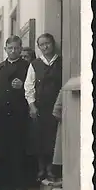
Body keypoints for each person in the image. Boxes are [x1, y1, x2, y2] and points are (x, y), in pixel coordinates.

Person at [0, 36, 30, 190]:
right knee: (1, 148)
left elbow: (32, 88)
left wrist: (21, 87)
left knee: (18, 147)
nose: (13, 51)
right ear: (5, 49)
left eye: (16, 48)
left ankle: (19, 182)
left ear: (21, 49)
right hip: (0, 113)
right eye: (10, 48)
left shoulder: (27, 66)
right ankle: (2, 185)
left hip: (18, 113)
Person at [24, 33, 62, 182]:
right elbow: (29, 86)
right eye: (42, 45)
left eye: (48, 43)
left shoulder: (61, 62)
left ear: (53, 44)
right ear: (38, 47)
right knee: (39, 138)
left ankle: (51, 169)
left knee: (54, 137)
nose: (45, 47)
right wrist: (32, 105)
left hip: (56, 105)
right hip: (40, 107)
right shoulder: (35, 64)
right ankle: (41, 169)